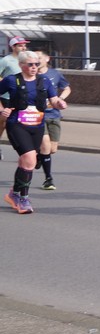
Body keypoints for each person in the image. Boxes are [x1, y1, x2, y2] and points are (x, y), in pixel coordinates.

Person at [0, 50, 68, 214]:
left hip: (37, 126)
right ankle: (23, 198)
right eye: (30, 64)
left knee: (25, 162)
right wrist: (2, 110)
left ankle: (14, 194)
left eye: (36, 64)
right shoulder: (12, 80)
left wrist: (59, 103)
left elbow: (53, 100)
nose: (34, 67)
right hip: (17, 124)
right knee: (30, 160)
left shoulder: (44, 81)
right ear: (21, 65)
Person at [34, 52, 71, 190]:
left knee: (52, 149)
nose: (36, 61)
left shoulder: (54, 74)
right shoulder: (31, 75)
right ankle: (48, 179)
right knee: (45, 145)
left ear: (47, 59)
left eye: (39, 58)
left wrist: (61, 99)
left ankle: (39, 157)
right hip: (38, 115)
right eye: (34, 59)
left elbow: (66, 88)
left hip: (54, 114)